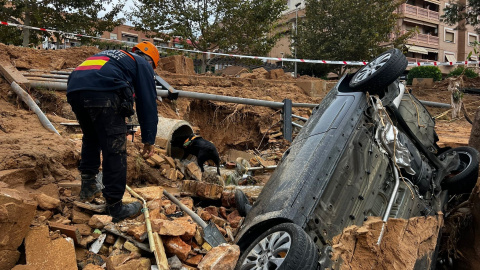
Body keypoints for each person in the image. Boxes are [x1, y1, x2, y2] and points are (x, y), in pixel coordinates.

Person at [67, 41, 159, 222]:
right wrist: (149, 139)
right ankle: (115, 206)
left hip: (74, 88)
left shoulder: (114, 56)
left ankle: (88, 187)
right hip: (104, 91)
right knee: (114, 147)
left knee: (91, 137)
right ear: (151, 62)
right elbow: (147, 102)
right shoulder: (142, 64)